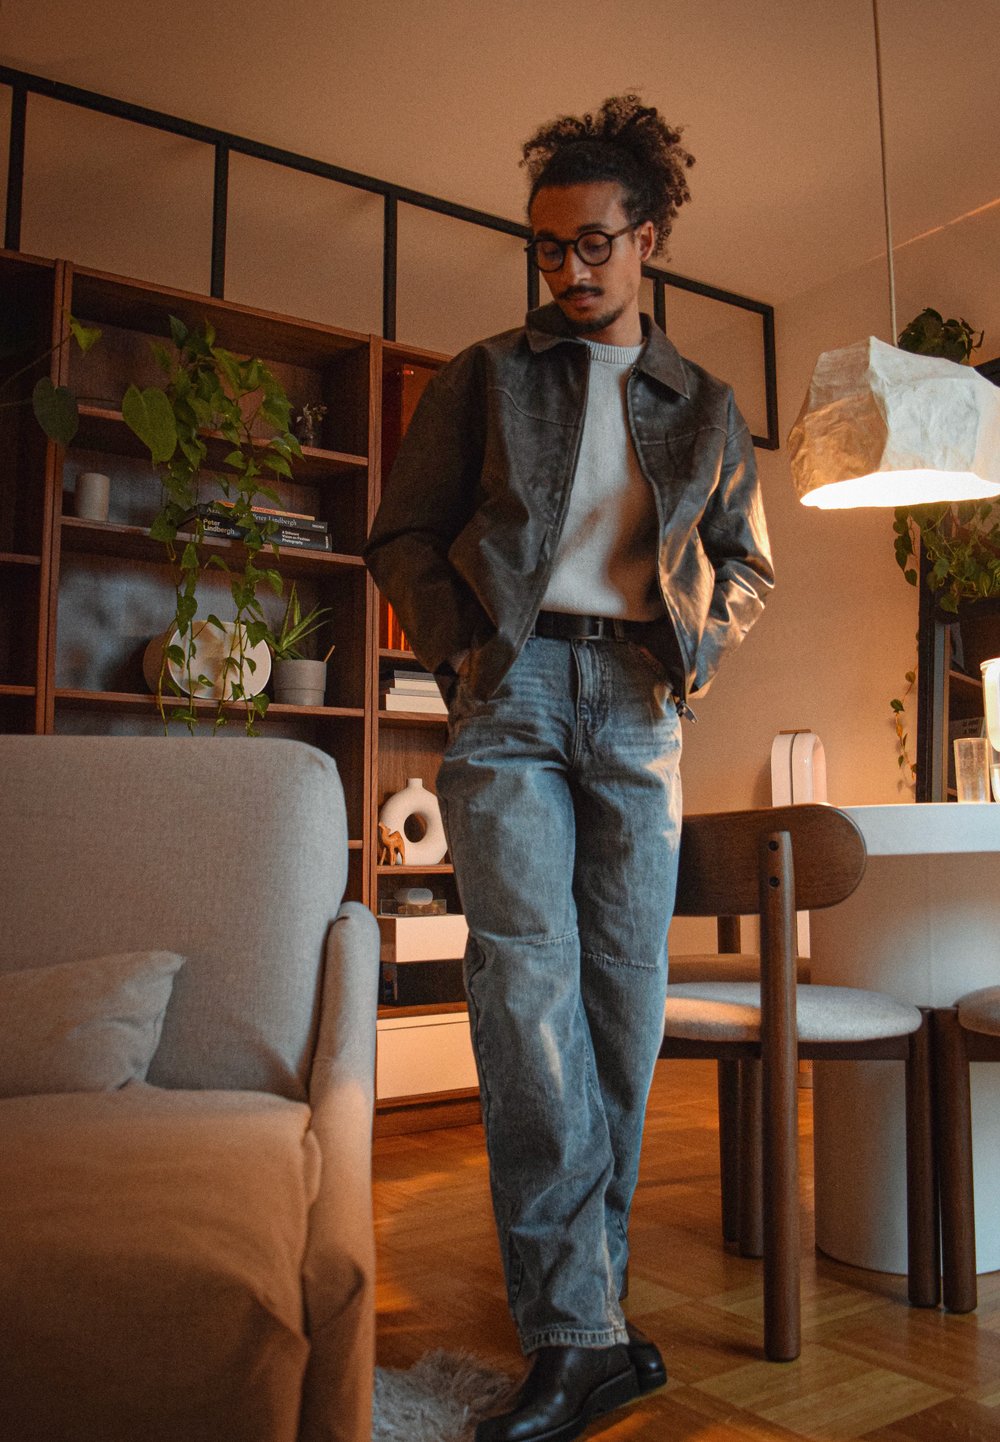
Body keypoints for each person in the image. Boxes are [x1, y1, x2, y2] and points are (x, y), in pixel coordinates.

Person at [365, 94, 773, 1442]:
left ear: (646, 238)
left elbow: (747, 565)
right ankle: (578, 1329)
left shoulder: (706, 405)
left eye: (596, 243)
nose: (570, 269)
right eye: (549, 248)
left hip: (641, 703)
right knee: (524, 993)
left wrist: (696, 650)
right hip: (518, 691)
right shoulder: (487, 376)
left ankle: (591, 1317)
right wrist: (470, 651)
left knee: (621, 1008)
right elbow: (403, 534)